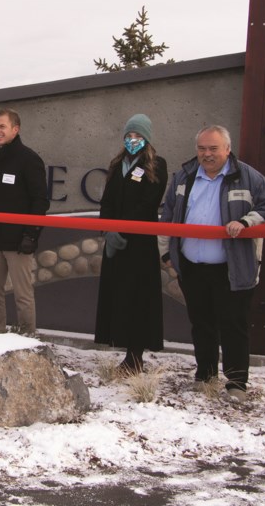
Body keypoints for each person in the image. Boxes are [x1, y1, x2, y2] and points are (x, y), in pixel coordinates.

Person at [160, 125, 265, 401]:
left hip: (231, 268)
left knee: (233, 326)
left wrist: (246, 222)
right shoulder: (183, 177)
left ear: (227, 148)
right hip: (191, 266)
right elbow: (168, 215)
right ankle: (205, 375)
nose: (207, 154)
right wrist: (167, 257)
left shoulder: (249, 177)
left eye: (213, 148)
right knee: (201, 323)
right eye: (202, 149)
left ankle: (236, 383)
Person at [94, 114, 168, 373]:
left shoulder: (157, 165)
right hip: (115, 245)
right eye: (129, 135)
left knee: (138, 299)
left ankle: (135, 356)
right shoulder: (117, 164)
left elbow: (148, 202)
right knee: (117, 296)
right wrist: (108, 230)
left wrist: (122, 230)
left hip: (139, 246)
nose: (132, 140)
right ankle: (121, 347)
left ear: (146, 137)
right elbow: (107, 201)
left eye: (137, 135)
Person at [0, 107, 49, 334]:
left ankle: (26, 339)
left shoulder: (29, 159)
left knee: (23, 295)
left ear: (15, 129)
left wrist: (31, 234)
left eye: (2, 126)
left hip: (18, 241)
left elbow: (40, 201)